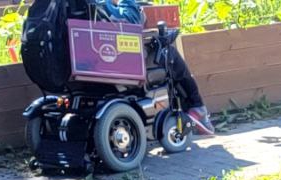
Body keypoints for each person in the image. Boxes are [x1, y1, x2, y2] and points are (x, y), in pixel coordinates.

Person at [91, 0, 215, 135]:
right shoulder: (97, 4)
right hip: (116, 61)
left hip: (85, 66)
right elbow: (131, 21)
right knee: (168, 52)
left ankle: (193, 112)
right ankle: (196, 107)